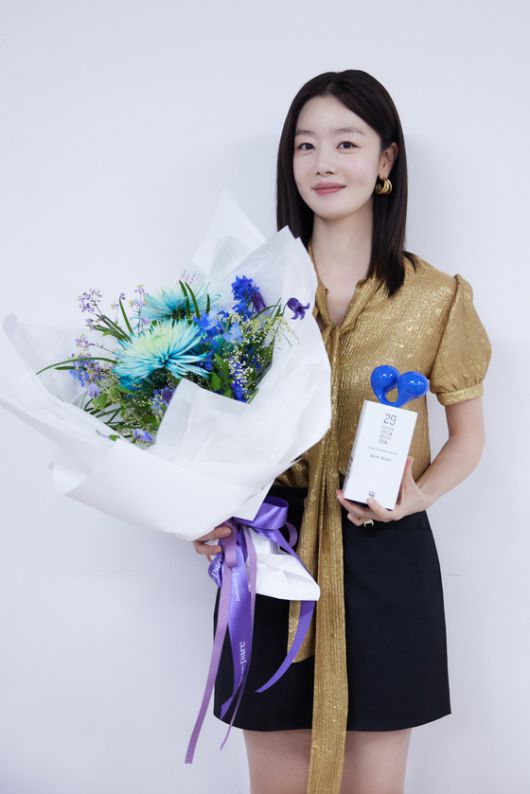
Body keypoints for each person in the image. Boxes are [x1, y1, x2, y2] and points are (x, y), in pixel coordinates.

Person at [192, 69, 492, 794]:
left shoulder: (436, 297)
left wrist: (418, 497)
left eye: (346, 143)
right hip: (269, 554)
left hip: (385, 553)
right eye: (306, 145)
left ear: (386, 160)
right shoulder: (246, 293)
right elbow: (202, 430)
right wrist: (201, 513)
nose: (323, 163)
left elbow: (468, 435)